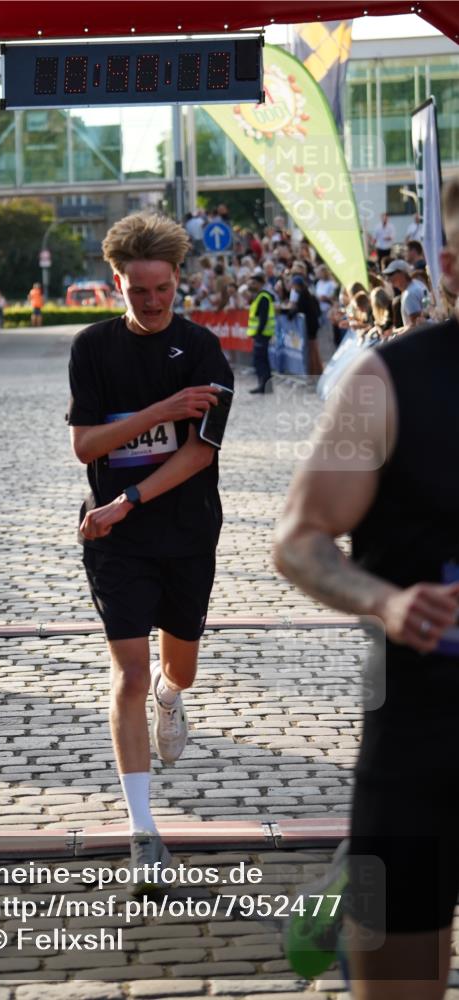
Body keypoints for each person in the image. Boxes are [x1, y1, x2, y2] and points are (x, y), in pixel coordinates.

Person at [273, 177, 459, 999]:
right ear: (451, 264)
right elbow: (298, 539)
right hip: (422, 751)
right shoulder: (382, 383)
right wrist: (384, 599)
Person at [67, 212, 234, 888]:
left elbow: (199, 453)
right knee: (128, 675)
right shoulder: (92, 349)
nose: (152, 302)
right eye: (138, 292)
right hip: (112, 538)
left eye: (162, 290)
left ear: (176, 282)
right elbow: (87, 446)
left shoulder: (203, 353)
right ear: (118, 285)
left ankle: (174, 697)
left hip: (186, 530)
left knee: (175, 672)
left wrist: (131, 496)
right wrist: (159, 412)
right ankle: (142, 831)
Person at [245, 272, 276, 393]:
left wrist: (258, 333)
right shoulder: (259, 296)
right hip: (261, 334)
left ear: (260, 284)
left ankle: (264, 386)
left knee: (260, 361)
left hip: (262, 334)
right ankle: (264, 386)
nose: (250, 285)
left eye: (253, 283)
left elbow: (263, 318)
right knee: (262, 360)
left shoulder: (263, 297)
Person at [288, 273, 323, 376]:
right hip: (313, 324)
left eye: (293, 285)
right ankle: (317, 370)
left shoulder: (304, 294)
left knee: (312, 349)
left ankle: (314, 371)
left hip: (310, 325)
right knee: (313, 348)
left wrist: (290, 314)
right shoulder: (306, 293)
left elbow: (300, 308)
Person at [382, 259, 427, 330]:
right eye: (388, 275)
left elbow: (417, 326)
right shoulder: (416, 283)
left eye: (391, 274)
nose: (389, 278)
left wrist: (399, 334)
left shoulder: (409, 294)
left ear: (402, 273)